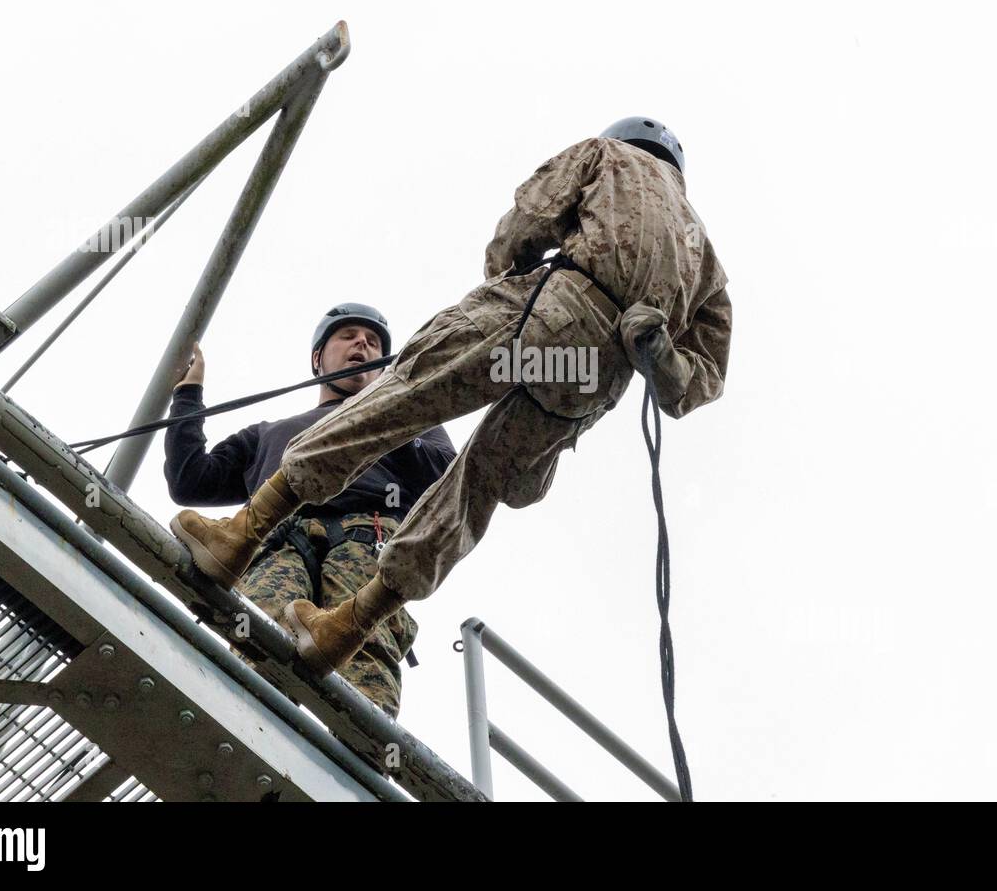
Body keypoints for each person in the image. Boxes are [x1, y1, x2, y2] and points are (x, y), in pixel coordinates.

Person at [171, 117, 731, 681]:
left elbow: (531, 217)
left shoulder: (607, 155)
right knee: (475, 489)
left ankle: (241, 537)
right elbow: (695, 384)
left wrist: (502, 276)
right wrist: (658, 353)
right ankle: (347, 627)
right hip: (591, 379)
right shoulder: (706, 259)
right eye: (349, 338)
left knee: (400, 399)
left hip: (541, 316)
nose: (362, 346)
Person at [165, 303, 456, 717]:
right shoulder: (270, 435)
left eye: (373, 342)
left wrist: (392, 420)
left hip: (364, 542)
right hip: (277, 541)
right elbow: (189, 479)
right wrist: (187, 395)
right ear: (318, 359)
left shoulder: (407, 420)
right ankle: (241, 721)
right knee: (258, 635)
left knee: (364, 654)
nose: (363, 344)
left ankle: (361, 746)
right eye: (349, 336)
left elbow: (446, 474)